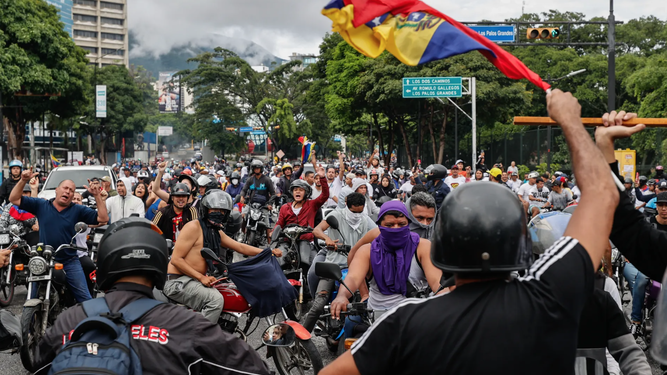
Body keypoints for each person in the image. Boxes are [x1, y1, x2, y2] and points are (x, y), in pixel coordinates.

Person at [321, 89, 619, 375]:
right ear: (521, 242)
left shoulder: (406, 321)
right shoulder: (552, 296)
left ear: (442, 245)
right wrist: (572, 123)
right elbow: (602, 196)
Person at [32, 217, 271, 375]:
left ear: (104, 262)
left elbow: (37, 366)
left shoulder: (68, 321)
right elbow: (252, 368)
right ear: (158, 263)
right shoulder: (186, 325)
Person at [164, 190, 281, 323]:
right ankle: (200, 340)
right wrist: (201, 277)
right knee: (215, 300)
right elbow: (176, 259)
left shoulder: (214, 232)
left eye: (222, 211)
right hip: (177, 281)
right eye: (214, 209)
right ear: (206, 209)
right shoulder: (193, 227)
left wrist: (268, 251)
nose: (218, 213)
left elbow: (240, 247)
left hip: (192, 281)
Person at [330, 201, 443, 324]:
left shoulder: (423, 247)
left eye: (401, 224)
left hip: (416, 317)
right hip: (376, 318)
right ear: (379, 226)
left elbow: (437, 283)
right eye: (389, 225)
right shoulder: (367, 251)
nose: (396, 229)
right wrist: (342, 295)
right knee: (349, 327)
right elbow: (352, 278)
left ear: (408, 224)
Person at [10, 172, 109, 303]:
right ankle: (30, 322)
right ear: (57, 190)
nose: (67, 192)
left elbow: (103, 218)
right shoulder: (42, 205)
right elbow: (14, 199)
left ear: (73, 195)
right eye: (65, 188)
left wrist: (97, 196)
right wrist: (23, 180)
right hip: (45, 259)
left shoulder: (77, 210)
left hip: (69, 260)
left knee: (86, 300)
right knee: (31, 296)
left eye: (71, 191)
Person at [304, 192, 377, 332]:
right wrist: (327, 239)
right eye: (354, 211)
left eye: (360, 211)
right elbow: (317, 230)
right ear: (347, 205)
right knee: (319, 305)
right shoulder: (337, 215)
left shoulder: (365, 219)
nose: (357, 215)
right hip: (334, 265)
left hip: (357, 267)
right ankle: (299, 339)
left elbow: (377, 233)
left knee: (371, 300)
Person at [275, 166, 330, 243]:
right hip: (287, 241)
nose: (298, 192)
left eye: (301, 190)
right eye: (295, 190)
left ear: (306, 193)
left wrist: (322, 178)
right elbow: (279, 224)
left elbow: (325, 195)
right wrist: (273, 233)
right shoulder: (284, 208)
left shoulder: (312, 204)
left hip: (306, 241)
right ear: (292, 192)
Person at [240, 159, 276, 237]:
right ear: (252, 169)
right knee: (243, 216)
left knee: (267, 224)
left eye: (258, 168)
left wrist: (270, 204)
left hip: (264, 205)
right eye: (255, 168)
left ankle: (270, 243)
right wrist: (242, 197)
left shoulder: (267, 180)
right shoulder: (250, 179)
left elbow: (273, 193)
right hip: (251, 204)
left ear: (261, 169)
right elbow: (244, 189)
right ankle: (242, 234)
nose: (256, 169)